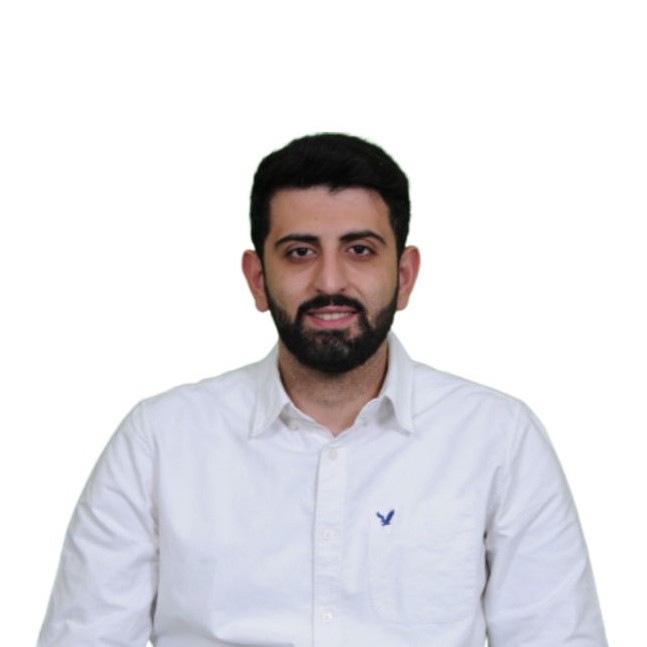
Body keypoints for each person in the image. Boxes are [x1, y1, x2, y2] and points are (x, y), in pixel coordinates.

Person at [38, 133, 608, 646]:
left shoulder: (497, 439)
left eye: (360, 250)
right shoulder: (160, 440)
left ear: (404, 276)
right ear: (258, 279)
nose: (330, 281)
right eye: (300, 252)